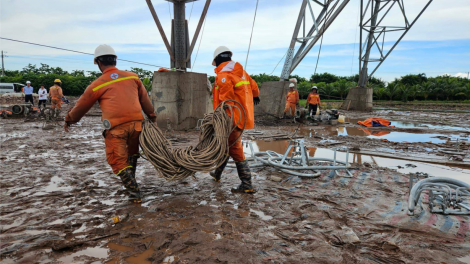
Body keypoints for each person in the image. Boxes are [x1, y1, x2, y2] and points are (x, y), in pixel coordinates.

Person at [64, 44, 157, 203]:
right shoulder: (133, 77)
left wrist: (69, 119)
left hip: (116, 128)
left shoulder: (98, 84)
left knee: (117, 161)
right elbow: (145, 100)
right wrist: (152, 116)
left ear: (98, 62)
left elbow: (81, 106)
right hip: (137, 126)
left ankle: (135, 193)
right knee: (131, 155)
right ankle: (132, 184)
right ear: (114, 60)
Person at [209, 46, 260, 194]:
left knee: (235, 148)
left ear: (218, 59)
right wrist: (255, 95)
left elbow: (227, 101)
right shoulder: (242, 73)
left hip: (232, 118)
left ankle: (247, 183)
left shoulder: (223, 75)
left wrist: (224, 120)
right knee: (226, 145)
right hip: (243, 117)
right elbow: (254, 87)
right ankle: (217, 173)